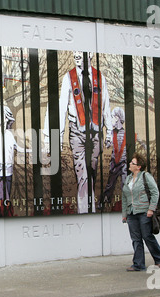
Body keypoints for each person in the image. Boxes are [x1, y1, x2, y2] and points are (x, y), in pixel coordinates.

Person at [43, 51, 112, 213]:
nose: (76, 55)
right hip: (77, 133)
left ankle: (89, 207)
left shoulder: (99, 77)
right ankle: (86, 213)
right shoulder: (69, 78)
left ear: (90, 55)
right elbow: (61, 109)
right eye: (75, 53)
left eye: (80, 52)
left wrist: (109, 131)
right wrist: (57, 139)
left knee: (91, 173)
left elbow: (106, 105)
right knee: (82, 175)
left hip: (95, 134)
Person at [122, 153, 160, 271]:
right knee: (135, 239)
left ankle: (159, 257)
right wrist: (124, 215)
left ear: (139, 166)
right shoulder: (129, 178)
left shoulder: (146, 176)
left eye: (132, 163)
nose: (130, 164)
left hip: (144, 212)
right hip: (131, 213)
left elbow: (155, 192)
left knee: (147, 236)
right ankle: (138, 264)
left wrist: (151, 208)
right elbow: (125, 197)